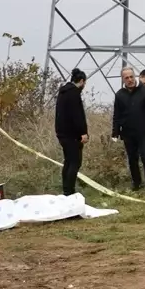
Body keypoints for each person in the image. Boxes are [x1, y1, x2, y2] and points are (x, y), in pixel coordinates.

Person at [112, 66, 145, 191]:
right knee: (132, 159)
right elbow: (117, 115)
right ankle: (136, 183)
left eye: (131, 77)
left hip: (144, 131)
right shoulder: (119, 95)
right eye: (126, 78)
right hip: (128, 132)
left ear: (135, 76)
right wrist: (115, 132)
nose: (129, 79)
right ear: (123, 79)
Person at [55, 68, 89, 196]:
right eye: (84, 83)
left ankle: (66, 189)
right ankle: (70, 191)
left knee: (68, 161)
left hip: (62, 133)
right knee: (75, 162)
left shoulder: (63, 92)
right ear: (81, 81)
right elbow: (77, 115)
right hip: (72, 135)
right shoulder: (74, 93)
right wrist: (83, 132)